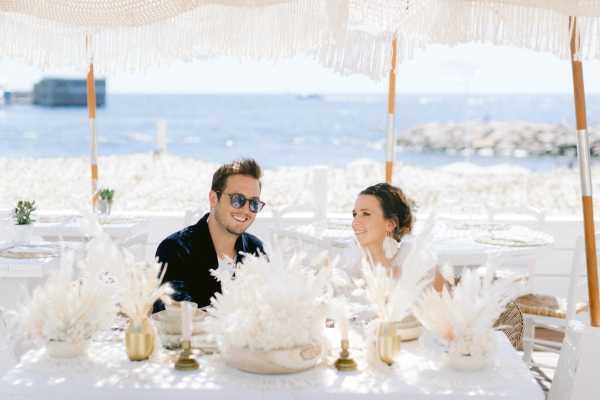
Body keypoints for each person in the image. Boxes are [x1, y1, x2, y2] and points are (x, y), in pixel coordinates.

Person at [154, 158, 266, 311]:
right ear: (214, 199)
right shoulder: (175, 250)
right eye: (237, 200)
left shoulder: (257, 250)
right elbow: (176, 318)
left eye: (253, 203)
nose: (246, 210)